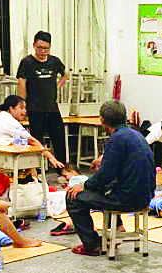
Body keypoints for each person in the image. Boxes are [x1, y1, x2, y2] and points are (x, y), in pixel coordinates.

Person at [65, 101, 155, 256]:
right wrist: (104, 161)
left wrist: (84, 185)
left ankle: (92, 245)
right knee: (104, 188)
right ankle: (118, 227)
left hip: (127, 199)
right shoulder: (136, 134)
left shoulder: (116, 139)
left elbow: (105, 177)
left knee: (73, 198)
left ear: (102, 120)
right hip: (146, 195)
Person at [16, 31, 68, 167]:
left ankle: (62, 168)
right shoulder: (27, 62)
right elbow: (21, 83)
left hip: (52, 108)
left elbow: (65, 75)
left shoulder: (54, 61)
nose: (43, 51)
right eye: (40, 48)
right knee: (36, 140)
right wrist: (22, 106)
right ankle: (37, 171)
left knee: (59, 138)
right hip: (34, 108)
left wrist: (56, 86)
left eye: (46, 48)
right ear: (34, 45)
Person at [0, 94, 64, 170]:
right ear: (11, 109)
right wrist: (52, 158)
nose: (24, 111)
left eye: (25, 108)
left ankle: (33, 180)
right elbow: (32, 141)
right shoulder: (8, 119)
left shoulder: (3, 117)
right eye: (21, 108)